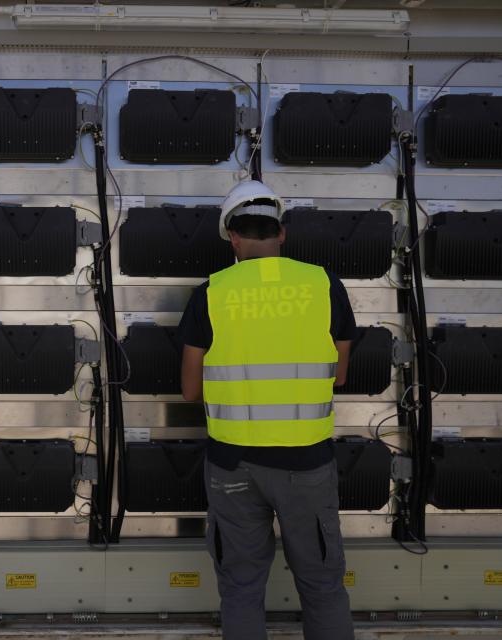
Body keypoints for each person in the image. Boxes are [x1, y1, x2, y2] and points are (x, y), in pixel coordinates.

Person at [178, 180, 356, 640]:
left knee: (240, 588)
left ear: (232, 238)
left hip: (233, 466)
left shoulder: (211, 292)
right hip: (307, 466)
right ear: (282, 234)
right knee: (321, 585)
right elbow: (338, 375)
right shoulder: (322, 284)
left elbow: (190, 390)